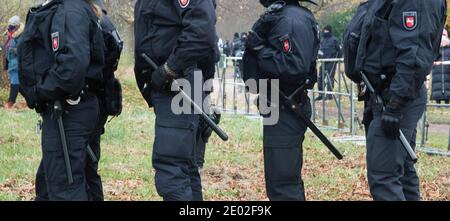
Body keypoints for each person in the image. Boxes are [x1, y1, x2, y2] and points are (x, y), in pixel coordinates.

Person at [344, 0, 447, 201]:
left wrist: (395, 104)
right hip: (385, 93)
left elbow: (413, 54)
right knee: (400, 174)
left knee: (385, 177)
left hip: (396, 95)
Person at [18, 0, 106, 201]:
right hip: (73, 109)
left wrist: (38, 92)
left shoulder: (70, 10)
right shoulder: (72, 8)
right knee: (54, 185)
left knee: (65, 189)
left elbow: (72, 68)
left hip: (68, 110)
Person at [134, 0, 218, 201]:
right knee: (184, 171)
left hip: (178, 84)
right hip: (169, 87)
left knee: (172, 176)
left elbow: (201, 33)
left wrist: (170, 68)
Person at [244, 0, 320, 201]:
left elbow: (295, 66)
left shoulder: (291, 19)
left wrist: (261, 51)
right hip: (279, 106)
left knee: (284, 185)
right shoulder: (284, 15)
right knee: (279, 180)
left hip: (288, 106)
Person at [85, 0, 123, 201]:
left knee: (87, 164)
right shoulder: (105, 22)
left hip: (94, 95)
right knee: (90, 162)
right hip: (101, 94)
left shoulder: (96, 21)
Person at [316, 25, 341, 101]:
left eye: (327, 30)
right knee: (320, 78)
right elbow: (319, 50)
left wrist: (337, 60)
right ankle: (321, 94)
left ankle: (329, 94)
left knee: (330, 78)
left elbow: (339, 51)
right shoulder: (322, 40)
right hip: (323, 62)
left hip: (331, 62)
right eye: (324, 30)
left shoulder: (334, 40)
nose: (325, 32)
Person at [4, 16, 23, 109]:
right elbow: (7, 48)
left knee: (14, 83)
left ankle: (10, 103)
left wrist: (14, 50)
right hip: (11, 64)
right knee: (19, 85)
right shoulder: (10, 36)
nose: (9, 29)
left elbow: (22, 49)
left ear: (17, 27)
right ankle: (29, 99)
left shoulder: (20, 36)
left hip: (17, 64)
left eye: (12, 27)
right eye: (9, 27)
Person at [431, 29, 450, 104]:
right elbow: (433, 57)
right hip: (437, 70)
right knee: (437, 84)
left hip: (447, 70)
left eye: (444, 35)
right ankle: (437, 101)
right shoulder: (435, 47)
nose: (443, 37)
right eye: (441, 36)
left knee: (447, 84)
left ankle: (447, 101)